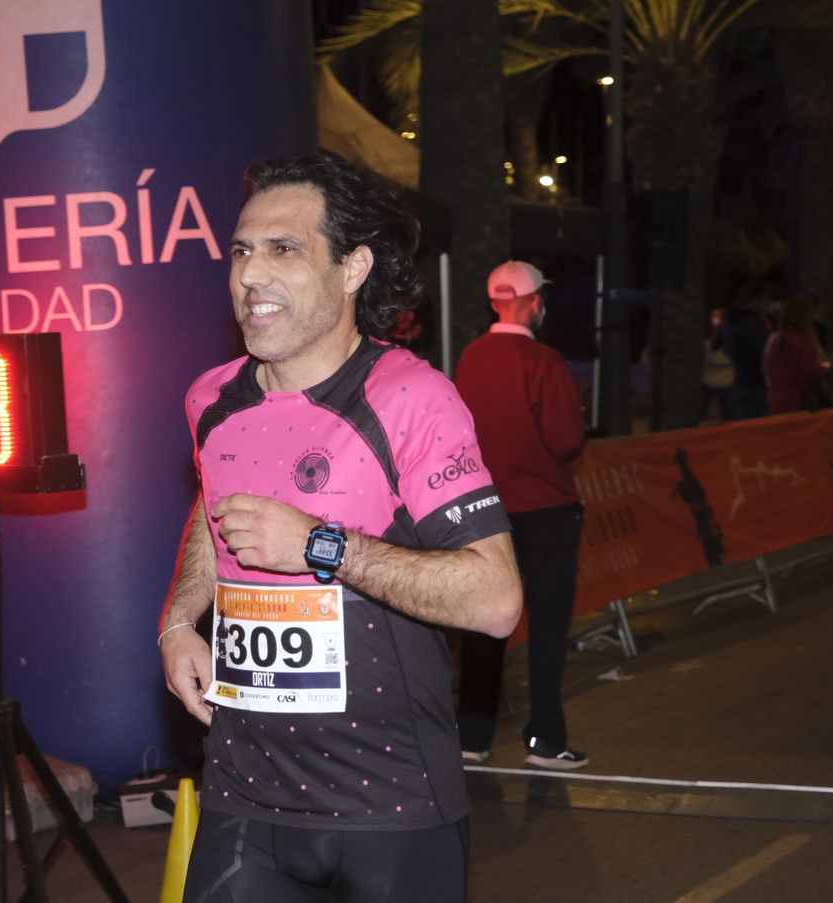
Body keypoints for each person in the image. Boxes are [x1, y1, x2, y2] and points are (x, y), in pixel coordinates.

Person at [159, 153, 521, 902]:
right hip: (244, 794)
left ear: (353, 268)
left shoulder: (410, 399)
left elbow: (496, 599)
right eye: (241, 251)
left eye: (283, 249)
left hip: (389, 805)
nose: (250, 274)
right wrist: (178, 617)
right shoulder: (211, 399)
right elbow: (211, 504)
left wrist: (320, 547)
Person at [452, 260, 588, 771]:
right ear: (533, 302)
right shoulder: (544, 361)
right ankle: (546, 740)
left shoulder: (471, 358)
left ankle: (473, 735)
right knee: (548, 626)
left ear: (495, 301)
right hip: (547, 510)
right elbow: (566, 440)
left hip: (484, 511)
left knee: (485, 625)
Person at [763, 292, 828, 414]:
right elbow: (814, 372)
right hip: (798, 400)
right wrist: (826, 365)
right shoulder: (805, 339)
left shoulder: (774, 339)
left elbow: (768, 370)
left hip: (777, 398)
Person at [723, 292, 772, 418]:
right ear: (754, 300)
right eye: (765, 300)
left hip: (741, 379)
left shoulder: (734, 320)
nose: (768, 305)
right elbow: (763, 351)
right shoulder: (751, 323)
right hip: (755, 382)